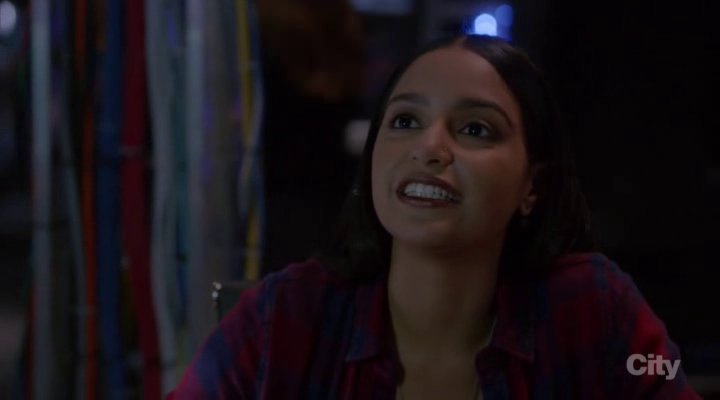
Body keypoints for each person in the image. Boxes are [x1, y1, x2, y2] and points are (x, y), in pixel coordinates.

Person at [168, 34, 700, 399]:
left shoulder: (592, 310)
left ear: (532, 185)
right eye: (404, 121)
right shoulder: (283, 319)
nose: (429, 148)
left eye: (475, 129)